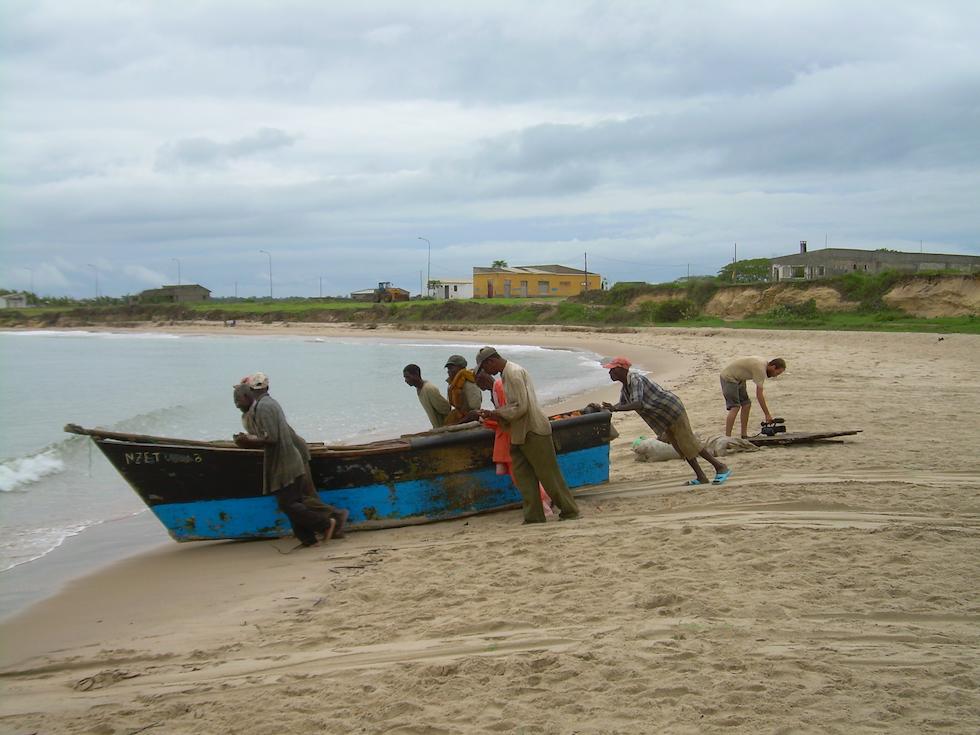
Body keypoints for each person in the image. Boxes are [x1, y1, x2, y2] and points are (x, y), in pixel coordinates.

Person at [232, 373, 339, 547]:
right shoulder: (267, 404)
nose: (236, 401)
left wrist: (248, 441)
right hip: (288, 459)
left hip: (286, 462)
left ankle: (326, 524)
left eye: (239, 396)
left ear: (249, 392)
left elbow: (271, 438)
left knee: (289, 504)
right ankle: (309, 540)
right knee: (291, 503)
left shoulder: (264, 407)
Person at [475, 346, 580, 523]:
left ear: (490, 361)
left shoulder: (513, 373)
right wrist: (497, 414)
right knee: (523, 477)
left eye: (485, 368)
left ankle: (569, 510)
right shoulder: (506, 374)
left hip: (533, 430)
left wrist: (496, 414)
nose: (487, 373)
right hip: (518, 432)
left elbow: (520, 407)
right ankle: (534, 516)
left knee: (548, 475)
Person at [601, 357, 731, 487]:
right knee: (680, 447)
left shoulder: (635, 380)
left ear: (621, 369)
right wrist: (610, 407)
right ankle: (701, 476)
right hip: (663, 417)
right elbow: (624, 404)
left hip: (672, 411)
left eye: (612, 370)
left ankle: (720, 467)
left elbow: (637, 403)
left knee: (688, 443)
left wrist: (615, 408)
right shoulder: (626, 387)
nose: (610, 373)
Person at [475, 370, 555, 518]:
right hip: (508, 437)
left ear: (481, 377)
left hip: (509, 439)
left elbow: (509, 414)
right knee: (521, 476)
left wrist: (487, 419)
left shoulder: (499, 387)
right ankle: (544, 502)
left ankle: (544, 504)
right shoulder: (496, 388)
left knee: (520, 477)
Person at [719, 356, 787, 438]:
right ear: (773, 367)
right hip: (728, 378)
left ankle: (744, 435)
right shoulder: (760, 369)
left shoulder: (764, 365)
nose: (775, 376)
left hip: (740, 379)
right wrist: (767, 414)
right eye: (777, 373)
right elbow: (759, 395)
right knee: (735, 407)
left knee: (746, 404)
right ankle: (727, 437)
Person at [403, 364, 452, 428]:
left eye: (407, 377)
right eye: (405, 377)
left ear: (416, 374)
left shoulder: (429, 389)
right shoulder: (419, 389)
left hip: (445, 428)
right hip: (438, 428)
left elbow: (446, 409)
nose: (406, 380)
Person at [445, 354, 482, 425]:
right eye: (448, 369)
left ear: (461, 368)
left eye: (451, 368)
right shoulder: (453, 384)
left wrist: (459, 422)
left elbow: (475, 408)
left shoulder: (469, 384)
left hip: (469, 420)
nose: (448, 371)